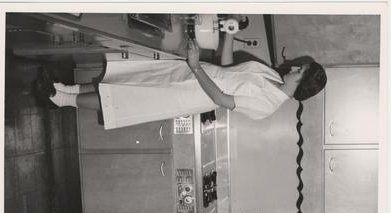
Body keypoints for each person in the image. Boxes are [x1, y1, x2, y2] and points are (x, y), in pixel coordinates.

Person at [34, 31, 326, 128]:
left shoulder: (268, 105)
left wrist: (197, 67)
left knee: (125, 98)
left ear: (302, 85)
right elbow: (228, 65)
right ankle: (64, 88)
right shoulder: (272, 75)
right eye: (299, 67)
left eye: (300, 71)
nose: (294, 68)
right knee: (128, 79)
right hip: (193, 72)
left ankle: (61, 100)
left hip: (191, 93)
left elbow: (221, 99)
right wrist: (228, 33)